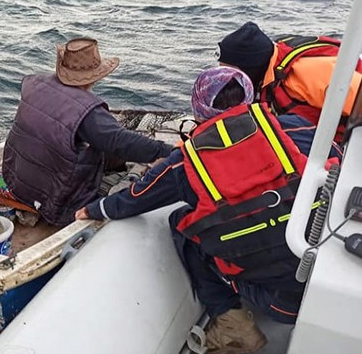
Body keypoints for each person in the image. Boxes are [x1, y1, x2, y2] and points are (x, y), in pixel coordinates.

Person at [75, 67, 341, 353]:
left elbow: (134, 199)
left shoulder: (184, 163)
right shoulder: (297, 129)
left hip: (278, 304)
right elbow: (338, 164)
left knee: (181, 223)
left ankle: (232, 327)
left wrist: (93, 209)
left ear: (198, 109)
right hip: (328, 283)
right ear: (249, 98)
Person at [2, 37, 173, 226]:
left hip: (16, 181)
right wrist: (167, 152)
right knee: (128, 165)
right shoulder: (88, 113)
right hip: (58, 202)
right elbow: (120, 141)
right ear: (95, 75)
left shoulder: (33, 83)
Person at [216, 21, 362, 142]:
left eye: (230, 73)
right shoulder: (267, 73)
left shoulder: (307, 73)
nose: (227, 80)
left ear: (248, 67)